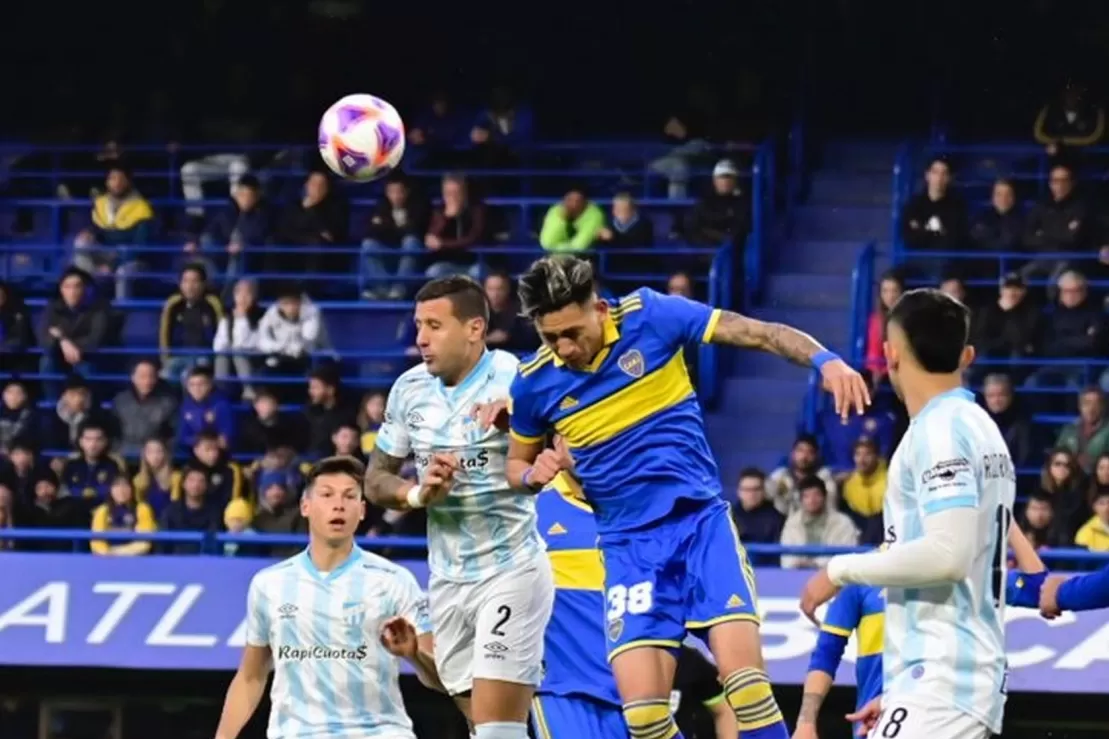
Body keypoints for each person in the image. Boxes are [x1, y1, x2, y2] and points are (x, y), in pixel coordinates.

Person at [506, 255, 869, 739]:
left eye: (572, 332)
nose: (565, 348)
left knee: (746, 688)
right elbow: (515, 464)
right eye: (551, 337)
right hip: (627, 548)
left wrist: (826, 360)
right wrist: (533, 474)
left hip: (698, 527)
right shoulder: (534, 384)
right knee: (645, 720)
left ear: (598, 307)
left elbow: (757, 333)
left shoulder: (653, 316)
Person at [799, 288, 1017, 739]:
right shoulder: (978, 426)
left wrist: (839, 570)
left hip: (944, 682)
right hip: (938, 683)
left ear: (889, 354)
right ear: (967, 354)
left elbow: (948, 555)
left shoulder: (940, 432)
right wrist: (899, 692)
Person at [364, 276, 553, 739]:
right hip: (448, 578)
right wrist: (417, 494)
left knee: (494, 729)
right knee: (481, 724)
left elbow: (565, 443)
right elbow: (375, 479)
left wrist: (523, 424)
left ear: (474, 329)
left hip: (510, 569)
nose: (421, 339)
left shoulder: (516, 378)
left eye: (434, 325)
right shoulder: (409, 390)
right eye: (417, 326)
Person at [213, 456, 441, 739]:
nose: (338, 505)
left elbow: (441, 680)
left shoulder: (394, 580)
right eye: (327, 495)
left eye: (349, 497)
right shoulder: (269, 584)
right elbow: (251, 676)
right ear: (305, 506)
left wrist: (414, 655)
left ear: (361, 510)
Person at [535, 464, 736, 739]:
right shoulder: (531, 509)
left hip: (647, 704)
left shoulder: (663, 509)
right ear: (556, 441)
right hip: (568, 693)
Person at [792, 528, 1046, 739]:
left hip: (945, 717)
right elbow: (826, 655)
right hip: (878, 724)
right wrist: (805, 721)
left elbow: (1039, 589)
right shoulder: (859, 575)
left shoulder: (964, 573)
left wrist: (1005, 519)